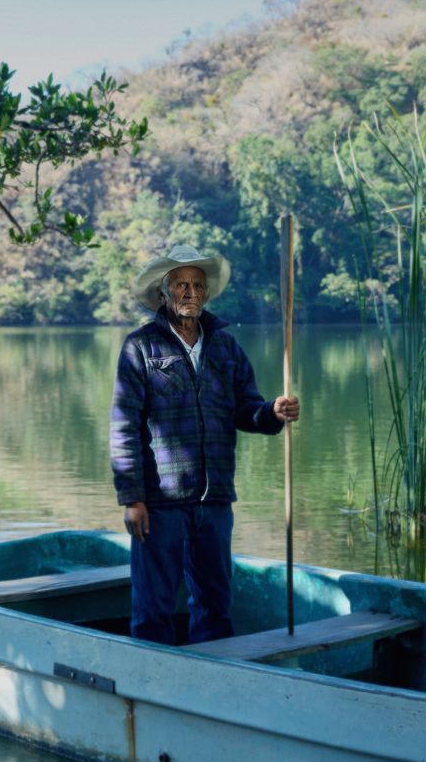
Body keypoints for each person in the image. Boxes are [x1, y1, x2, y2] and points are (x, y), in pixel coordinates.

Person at [110, 244, 300, 646]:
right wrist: (132, 498)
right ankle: (151, 685)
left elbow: (245, 408)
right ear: (164, 295)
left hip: (214, 499)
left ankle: (216, 682)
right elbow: (124, 425)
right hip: (160, 502)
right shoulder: (140, 347)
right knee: (153, 606)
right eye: (180, 285)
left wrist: (273, 412)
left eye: (197, 285)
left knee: (215, 603)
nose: (189, 292)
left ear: (207, 294)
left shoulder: (225, 347)